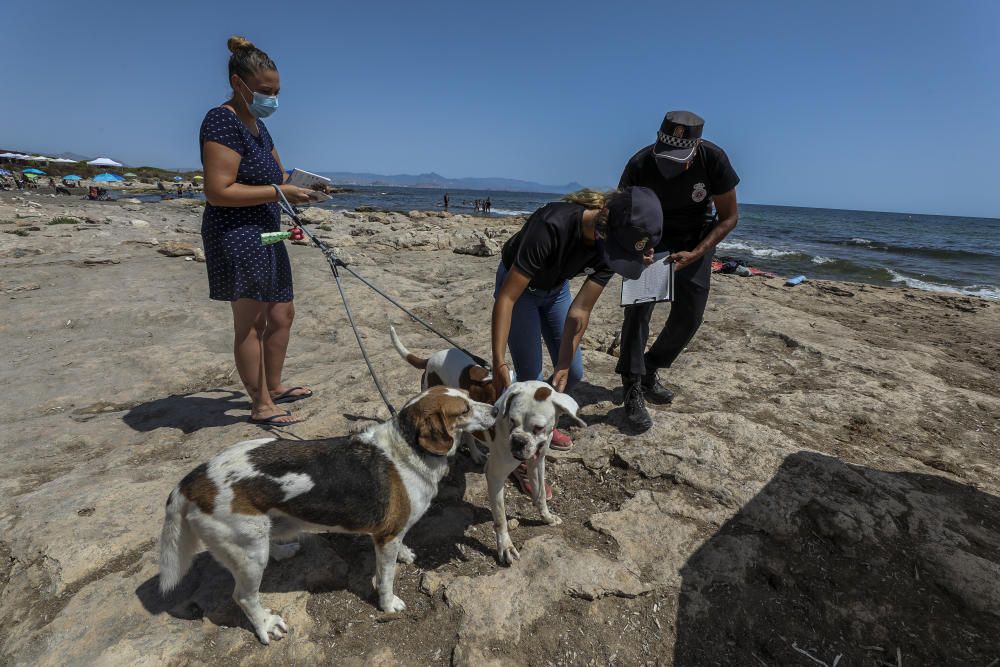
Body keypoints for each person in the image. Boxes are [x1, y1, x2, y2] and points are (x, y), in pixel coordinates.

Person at [492, 186, 662, 491]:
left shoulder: (614, 246)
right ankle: (518, 457)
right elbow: (506, 298)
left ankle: (540, 423)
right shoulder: (551, 225)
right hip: (521, 293)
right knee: (529, 379)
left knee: (574, 373)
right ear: (604, 220)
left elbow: (580, 311)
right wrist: (498, 362)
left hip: (555, 290)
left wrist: (565, 363)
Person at [200, 35, 319, 426]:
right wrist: (280, 190)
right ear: (239, 84)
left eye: (277, 91)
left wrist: (306, 187)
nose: (273, 99)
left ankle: (275, 385)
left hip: (267, 231)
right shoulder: (222, 120)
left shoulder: (258, 127)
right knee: (251, 321)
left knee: (282, 312)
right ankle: (261, 404)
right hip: (237, 234)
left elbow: (278, 175)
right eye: (266, 91)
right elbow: (219, 191)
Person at [616, 110, 740, 430]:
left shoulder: (714, 160)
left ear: (696, 149)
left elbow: (728, 217)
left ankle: (649, 367)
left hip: (695, 240)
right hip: (651, 239)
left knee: (690, 315)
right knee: (639, 310)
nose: (670, 166)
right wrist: (638, 247)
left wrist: (698, 251)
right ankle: (632, 385)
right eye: (665, 158)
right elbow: (620, 214)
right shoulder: (640, 164)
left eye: (679, 160)